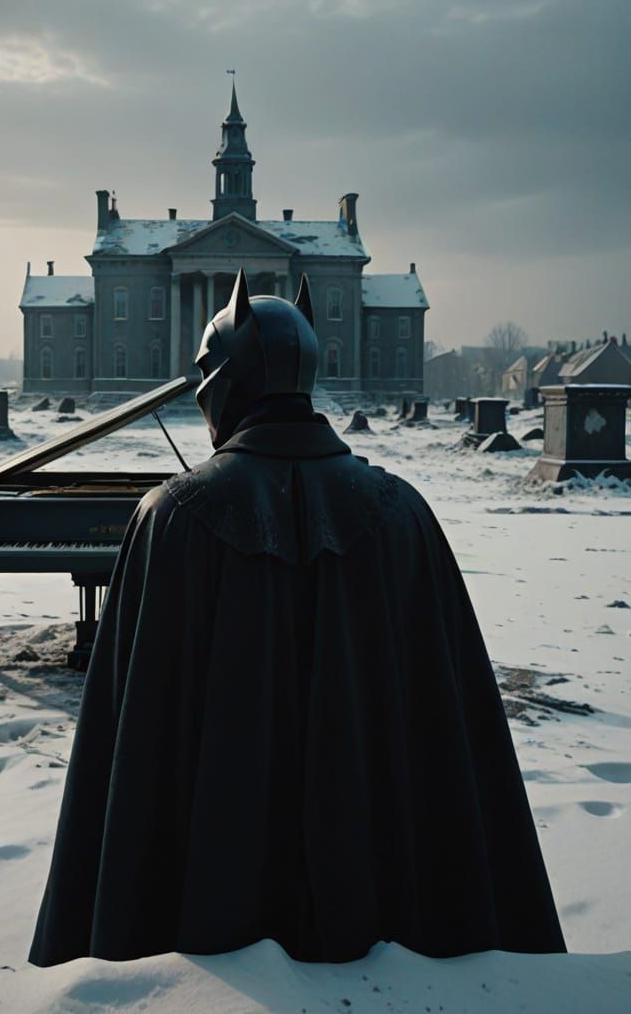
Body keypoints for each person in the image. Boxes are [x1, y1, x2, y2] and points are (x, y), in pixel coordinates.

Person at [29, 270, 565, 967]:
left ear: (223, 382)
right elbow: (445, 732)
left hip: (207, 915)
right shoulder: (401, 513)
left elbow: (134, 748)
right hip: (386, 902)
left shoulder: (175, 518)